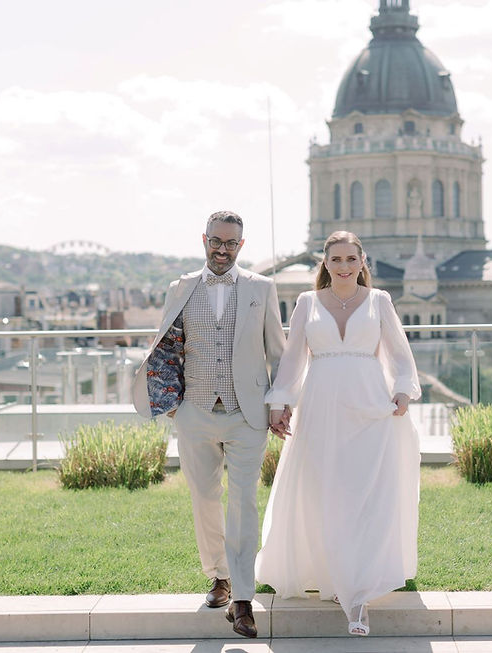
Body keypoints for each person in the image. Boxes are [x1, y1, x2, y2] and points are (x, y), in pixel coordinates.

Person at [255, 230, 421, 636]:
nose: (344, 266)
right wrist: (280, 403)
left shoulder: (380, 301)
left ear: (362, 262)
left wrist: (402, 390)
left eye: (351, 259)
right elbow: (293, 360)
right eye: (336, 259)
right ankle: (333, 576)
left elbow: (401, 355)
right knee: (325, 489)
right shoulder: (307, 303)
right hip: (321, 407)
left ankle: (357, 591)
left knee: (365, 493)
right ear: (325, 264)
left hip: (370, 407)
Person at [131, 210, 287, 639]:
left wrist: (278, 402)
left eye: (231, 243)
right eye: (215, 241)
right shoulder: (180, 287)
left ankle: (242, 600)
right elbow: (166, 344)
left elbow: (280, 351)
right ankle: (218, 576)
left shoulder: (262, 288)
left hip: (247, 412)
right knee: (204, 497)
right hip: (194, 411)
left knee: (243, 502)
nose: (222, 249)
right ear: (204, 241)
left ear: (242, 245)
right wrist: (173, 403)